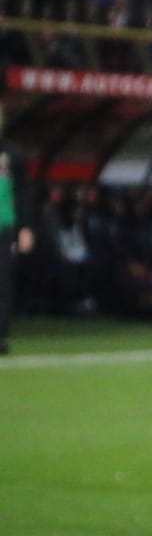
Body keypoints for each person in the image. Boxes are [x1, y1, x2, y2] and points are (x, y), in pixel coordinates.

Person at [1, 108, 35, 353]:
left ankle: (1, 335)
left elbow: (24, 194)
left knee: (3, 282)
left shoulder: (13, 154)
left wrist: (25, 227)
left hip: (4, 226)